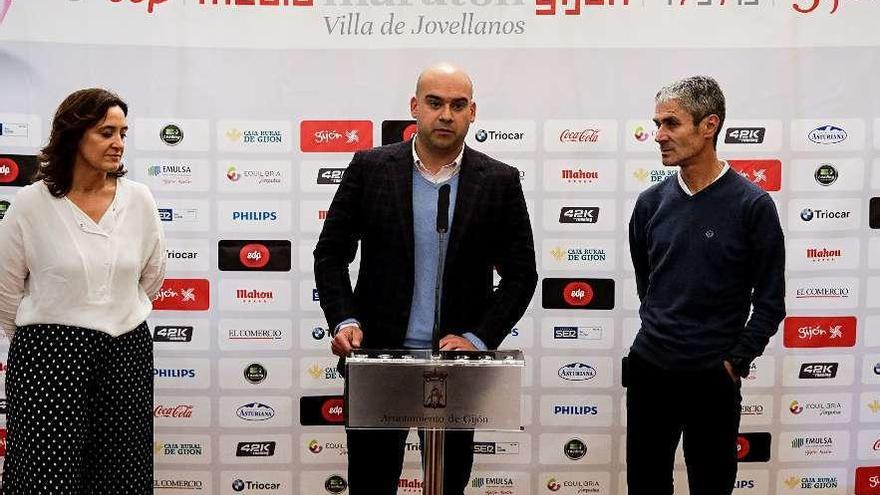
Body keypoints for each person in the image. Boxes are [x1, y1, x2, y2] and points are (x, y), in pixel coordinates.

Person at [314, 63, 537, 495]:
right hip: (378, 359)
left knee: (448, 485)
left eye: (458, 105)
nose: (446, 115)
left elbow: (521, 276)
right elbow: (330, 254)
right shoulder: (370, 167)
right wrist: (343, 321)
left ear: (473, 112)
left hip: (457, 368)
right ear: (415, 107)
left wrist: (478, 338)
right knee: (372, 485)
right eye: (435, 103)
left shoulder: (499, 181)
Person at [0, 88, 166, 494]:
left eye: (123, 133)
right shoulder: (30, 204)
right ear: (75, 135)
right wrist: (52, 333)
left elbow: (152, 276)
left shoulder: (140, 200)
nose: (118, 144)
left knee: (121, 476)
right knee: (45, 478)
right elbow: (6, 291)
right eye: (106, 132)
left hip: (125, 351)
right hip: (48, 357)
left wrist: (111, 312)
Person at [625, 76, 785, 495]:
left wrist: (735, 359)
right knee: (645, 485)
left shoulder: (753, 205)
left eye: (671, 124)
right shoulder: (649, 204)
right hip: (649, 371)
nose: (658, 135)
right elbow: (650, 286)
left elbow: (770, 301)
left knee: (712, 487)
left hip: (712, 377)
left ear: (709, 125)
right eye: (656, 123)